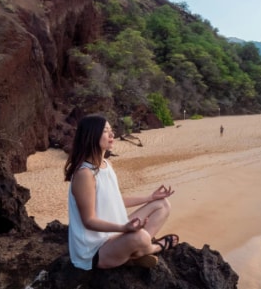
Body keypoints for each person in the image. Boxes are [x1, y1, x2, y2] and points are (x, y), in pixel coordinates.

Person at [64, 114, 179, 270]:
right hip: (94, 251)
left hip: (114, 235)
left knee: (162, 205)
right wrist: (124, 229)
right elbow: (88, 221)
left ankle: (133, 251)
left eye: (111, 130)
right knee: (141, 236)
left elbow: (115, 200)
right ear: (91, 135)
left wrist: (150, 197)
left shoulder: (106, 164)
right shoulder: (84, 174)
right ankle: (154, 248)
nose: (112, 135)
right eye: (105, 131)